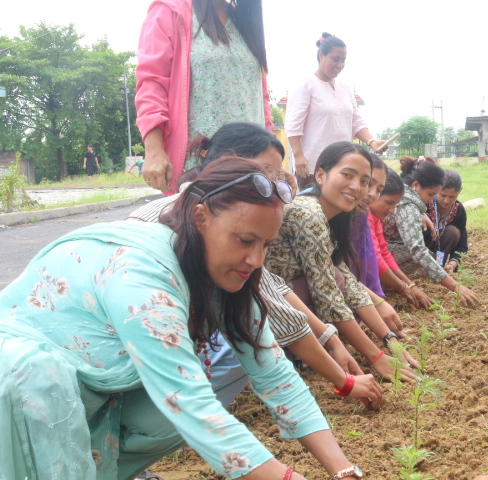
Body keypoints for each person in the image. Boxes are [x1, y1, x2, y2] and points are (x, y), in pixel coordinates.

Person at [0, 158, 364, 480]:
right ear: (201, 218)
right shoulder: (140, 275)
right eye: (245, 240)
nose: (255, 259)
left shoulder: (223, 273)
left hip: (88, 383)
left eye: (265, 245)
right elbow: (189, 404)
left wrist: (343, 470)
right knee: (44, 376)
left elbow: (276, 375)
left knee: (164, 418)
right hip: (23, 380)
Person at [127, 122, 381, 410]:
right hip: (135, 368)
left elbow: (274, 286)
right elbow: (276, 308)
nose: (271, 185)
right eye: (264, 174)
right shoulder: (191, 219)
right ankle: (177, 411)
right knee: (247, 337)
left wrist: (331, 340)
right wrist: (347, 374)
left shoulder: (224, 211)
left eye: (276, 175)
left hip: (145, 358)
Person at [265, 141, 419, 382]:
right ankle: (292, 352)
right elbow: (328, 294)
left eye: (366, 182)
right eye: (347, 175)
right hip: (265, 308)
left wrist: (389, 338)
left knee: (337, 276)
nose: (358, 188)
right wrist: (376, 357)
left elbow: (346, 279)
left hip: (283, 301)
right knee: (331, 283)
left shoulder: (336, 214)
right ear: (320, 175)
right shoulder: (309, 214)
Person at [135, 0, 273, 193]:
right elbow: (152, 83)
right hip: (199, 167)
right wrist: (153, 149)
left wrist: (274, 153)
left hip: (253, 166)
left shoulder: (243, 19)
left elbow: (261, 97)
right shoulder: (170, 11)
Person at [285, 32, 387, 191]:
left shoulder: (345, 88)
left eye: (343, 60)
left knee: (341, 214)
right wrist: (298, 156)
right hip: (313, 168)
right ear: (321, 55)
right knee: (315, 213)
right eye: (336, 59)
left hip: (344, 168)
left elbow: (356, 121)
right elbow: (293, 125)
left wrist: (372, 141)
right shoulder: (306, 85)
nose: (340, 64)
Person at [383, 156, 480, 307]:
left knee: (425, 253)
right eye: (431, 194)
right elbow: (417, 250)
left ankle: (390, 283)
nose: (432, 199)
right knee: (417, 253)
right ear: (416, 185)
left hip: (384, 251)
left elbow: (461, 243)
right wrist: (455, 286)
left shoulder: (410, 199)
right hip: (377, 254)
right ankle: (385, 284)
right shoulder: (408, 206)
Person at [349, 154, 406, 336]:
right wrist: (402, 287)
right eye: (367, 183)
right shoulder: (356, 213)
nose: (371, 193)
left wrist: (379, 302)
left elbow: (377, 256)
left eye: (378, 189)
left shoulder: (363, 215)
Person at [368, 168, 434, 309]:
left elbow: (383, 252)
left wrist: (409, 285)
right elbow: (375, 259)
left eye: (395, 204)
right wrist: (402, 287)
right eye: (389, 202)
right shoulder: (364, 217)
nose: (392, 210)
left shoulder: (374, 217)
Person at [423, 169, 469, 274]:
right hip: (420, 250)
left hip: (440, 252)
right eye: (443, 195)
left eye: (452, 196)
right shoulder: (424, 205)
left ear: (459, 192)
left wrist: (453, 263)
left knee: (453, 232)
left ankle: (439, 268)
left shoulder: (459, 210)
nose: (447, 201)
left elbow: (462, 244)